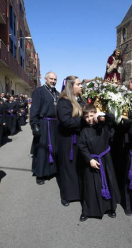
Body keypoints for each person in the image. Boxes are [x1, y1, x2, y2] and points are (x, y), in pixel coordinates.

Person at [78, 104, 119, 221]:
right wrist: (89, 159)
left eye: (91, 115)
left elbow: (112, 118)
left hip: (105, 159)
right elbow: (82, 147)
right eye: (86, 117)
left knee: (108, 181)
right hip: (91, 160)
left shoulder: (103, 125)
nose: (89, 119)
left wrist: (101, 114)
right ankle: (87, 210)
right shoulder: (84, 131)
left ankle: (110, 208)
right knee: (90, 186)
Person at [56, 75, 84, 206]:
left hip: (79, 138)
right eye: (78, 84)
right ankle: (67, 195)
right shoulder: (64, 101)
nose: (81, 86)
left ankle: (79, 193)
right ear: (71, 86)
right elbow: (66, 121)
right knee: (67, 167)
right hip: (68, 140)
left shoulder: (81, 100)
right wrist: (84, 121)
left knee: (78, 167)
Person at [30, 72, 60, 185]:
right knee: (42, 150)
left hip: (55, 124)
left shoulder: (57, 93)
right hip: (43, 123)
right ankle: (40, 174)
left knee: (54, 149)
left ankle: (52, 170)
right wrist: (34, 125)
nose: (53, 81)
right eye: (51, 79)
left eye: (55, 79)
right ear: (46, 79)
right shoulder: (39, 91)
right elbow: (34, 110)